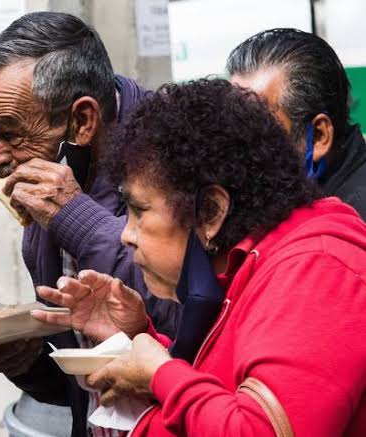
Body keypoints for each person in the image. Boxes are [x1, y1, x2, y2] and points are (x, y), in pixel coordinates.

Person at [33, 79, 366, 436]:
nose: (126, 235)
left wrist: (159, 372)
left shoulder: (316, 269)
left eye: (139, 210)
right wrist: (136, 339)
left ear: (211, 211)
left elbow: (260, 429)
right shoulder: (246, 267)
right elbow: (221, 387)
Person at [0, 11, 180, 437]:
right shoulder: (55, 180)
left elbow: (193, 332)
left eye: (9, 133)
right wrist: (30, 363)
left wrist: (76, 217)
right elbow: (90, 388)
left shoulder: (176, 164)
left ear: (83, 121)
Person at [228, 28, 366, 219]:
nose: (240, 148)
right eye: (234, 123)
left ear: (319, 136)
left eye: (259, 130)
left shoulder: (350, 227)